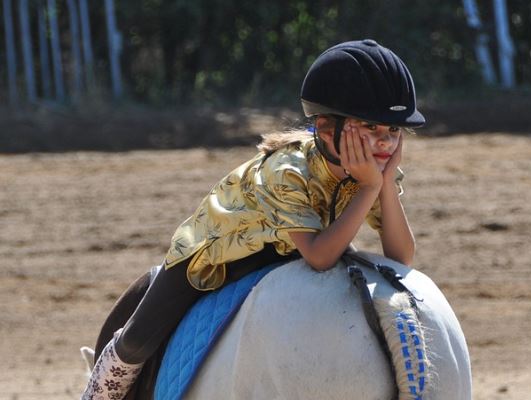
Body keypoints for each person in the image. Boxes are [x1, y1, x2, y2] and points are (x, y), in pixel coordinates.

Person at [81, 38, 425, 400]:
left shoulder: (372, 171)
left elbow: (400, 257)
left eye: (394, 131)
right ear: (326, 128)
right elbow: (320, 257)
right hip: (214, 258)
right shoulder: (288, 169)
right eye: (371, 129)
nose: (385, 142)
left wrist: (383, 184)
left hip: (293, 247)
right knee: (136, 343)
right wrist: (371, 187)